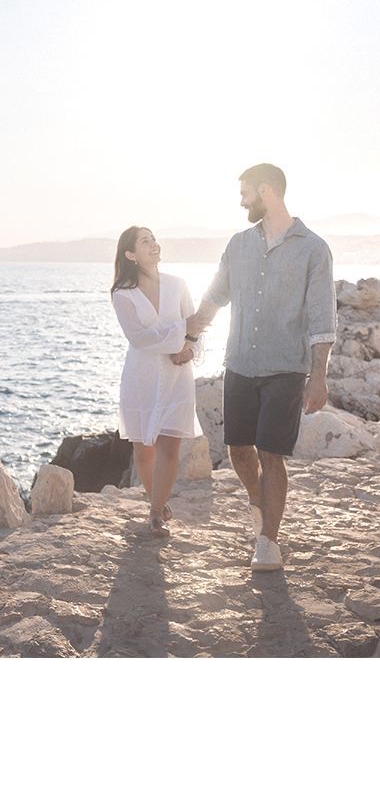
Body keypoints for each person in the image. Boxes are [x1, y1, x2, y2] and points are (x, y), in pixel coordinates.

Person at [185, 164, 336, 572]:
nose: (241, 201)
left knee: (272, 455)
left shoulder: (313, 249)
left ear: (266, 191)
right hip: (240, 363)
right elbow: (215, 297)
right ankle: (258, 500)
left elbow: (323, 319)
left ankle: (268, 541)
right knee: (238, 450)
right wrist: (188, 336)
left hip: (286, 368)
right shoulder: (238, 245)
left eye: (246, 193)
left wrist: (318, 376)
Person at [109, 226, 204, 538]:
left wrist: (188, 351)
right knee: (144, 451)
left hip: (178, 376)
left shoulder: (178, 285)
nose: (154, 244)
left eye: (154, 239)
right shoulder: (123, 294)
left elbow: (196, 326)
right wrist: (180, 338)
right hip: (142, 377)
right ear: (130, 254)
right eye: (145, 241)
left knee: (169, 446)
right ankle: (156, 502)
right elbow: (139, 338)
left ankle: (155, 514)